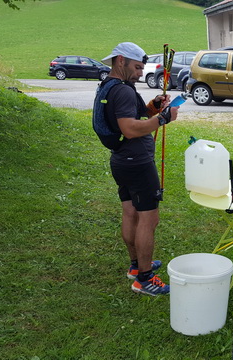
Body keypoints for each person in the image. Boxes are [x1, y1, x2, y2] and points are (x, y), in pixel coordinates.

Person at [97, 42, 179, 296]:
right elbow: (130, 128)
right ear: (120, 61)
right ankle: (144, 278)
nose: (140, 73)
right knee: (148, 218)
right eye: (136, 67)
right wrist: (162, 118)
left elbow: (134, 114)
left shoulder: (110, 86)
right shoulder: (122, 90)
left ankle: (136, 266)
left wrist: (154, 106)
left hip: (121, 159)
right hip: (137, 162)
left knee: (130, 212)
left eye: (142, 68)